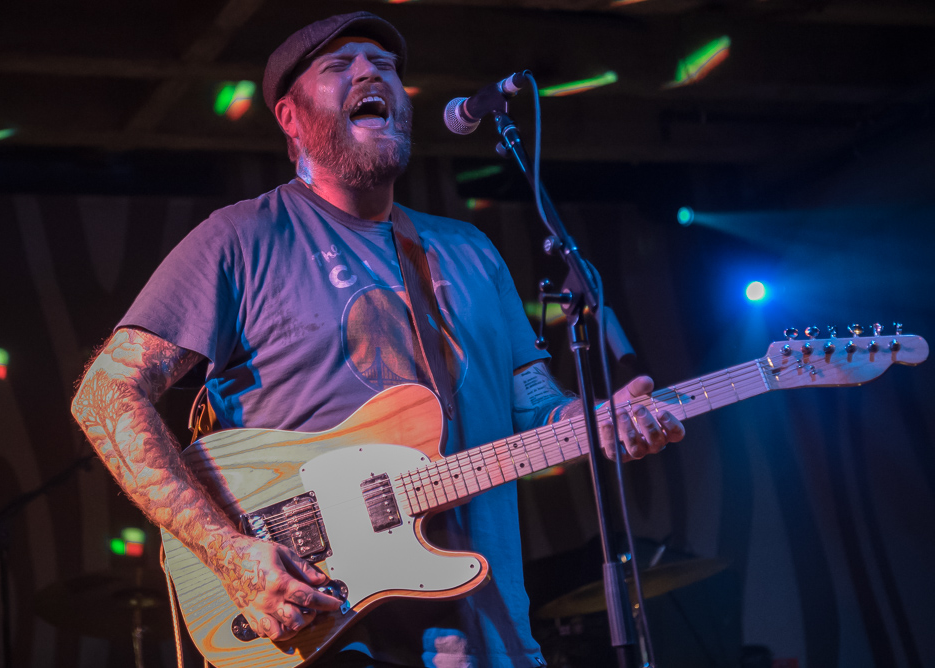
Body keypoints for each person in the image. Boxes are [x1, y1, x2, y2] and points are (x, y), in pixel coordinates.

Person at [71, 11, 685, 668]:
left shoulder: (469, 251)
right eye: (340, 66)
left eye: (385, 66)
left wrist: (595, 421)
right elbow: (105, 396)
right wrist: (230, 552)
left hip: (487, 637)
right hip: (327, 630)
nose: (371, 73)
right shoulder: (240, 240)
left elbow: (533, 402)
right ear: (290, 117)